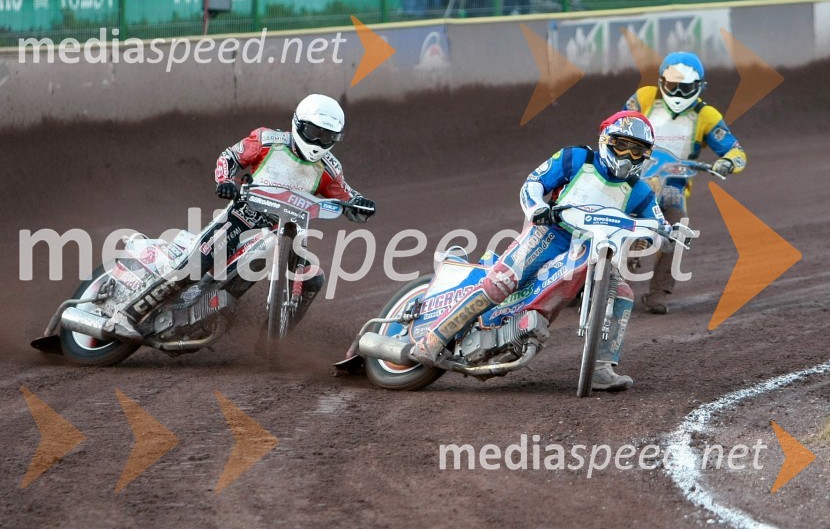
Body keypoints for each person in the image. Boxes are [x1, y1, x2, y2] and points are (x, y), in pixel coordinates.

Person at [411, 110, 670, 391]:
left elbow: (659, 225)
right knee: (501, 282)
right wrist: (537, 208)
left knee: (622, 293)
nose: (627, 156)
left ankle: (600, 368)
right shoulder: (575, 158)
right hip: (550, 233)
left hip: (594, 250)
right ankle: (435, 337)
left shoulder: (641, 191)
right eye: (622, 145)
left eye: (637, 151)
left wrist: (660, 235)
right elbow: (533, 183)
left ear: (645, 156)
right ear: (605, 139)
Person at [105, 94, 376, 341]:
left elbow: (347, 196)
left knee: (311, 279)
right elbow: (229, 157)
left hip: (287, 232)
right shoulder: (268, 140)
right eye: (314, 132)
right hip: (242, 218)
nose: (318, 141)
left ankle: (270, 341)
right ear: (298, 124)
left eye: (326, 136)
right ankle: (123, 315)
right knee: (195, 265)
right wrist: (225, 181)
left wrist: (359, 205)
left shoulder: (329, 168)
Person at [624, 51, 746, 314]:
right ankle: (586, 277)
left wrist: (727, 162)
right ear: (661, 82)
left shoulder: (707, 116)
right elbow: (619, 125)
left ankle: (658, 293)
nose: (678, 94)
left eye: (686, 88)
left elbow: (736, 151)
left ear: (699, 87)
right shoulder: (644, 98)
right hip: (631, 178)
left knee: (678, 230)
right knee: (603, 218)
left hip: (673, 188)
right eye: (673, 86)